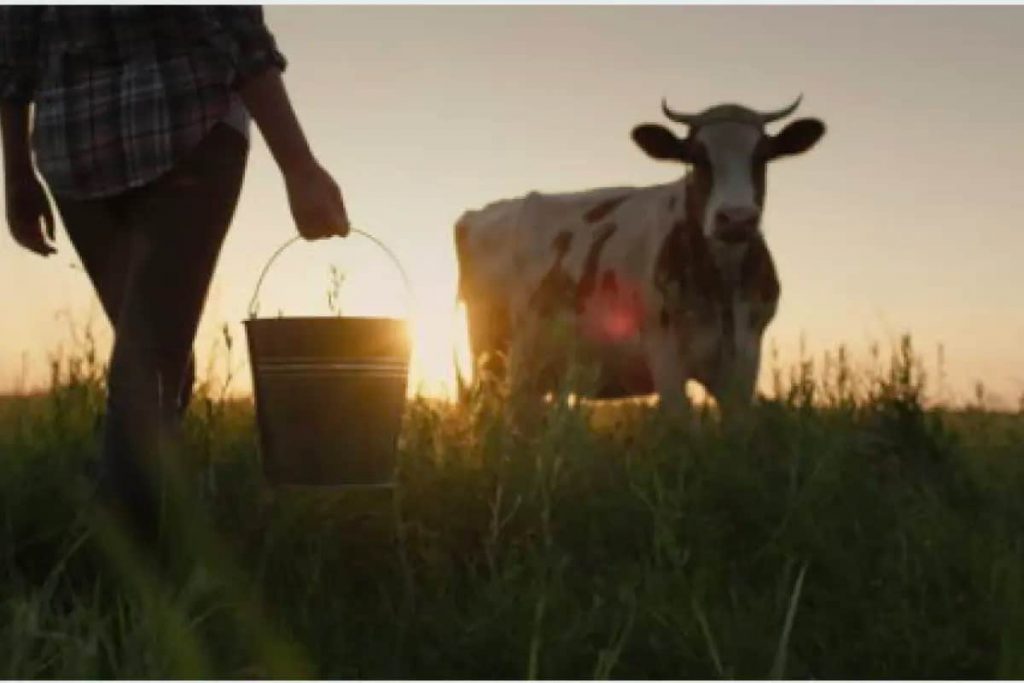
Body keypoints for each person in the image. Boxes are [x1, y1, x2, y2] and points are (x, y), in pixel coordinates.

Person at [0, 6, 349, 535]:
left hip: (183, 129)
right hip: (81, 151)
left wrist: (299, 168)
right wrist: (17, 173)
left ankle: (129, 567)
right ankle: (148, 549)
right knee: (159, 364)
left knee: (146, 364)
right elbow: (16, 38)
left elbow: (233, 23)